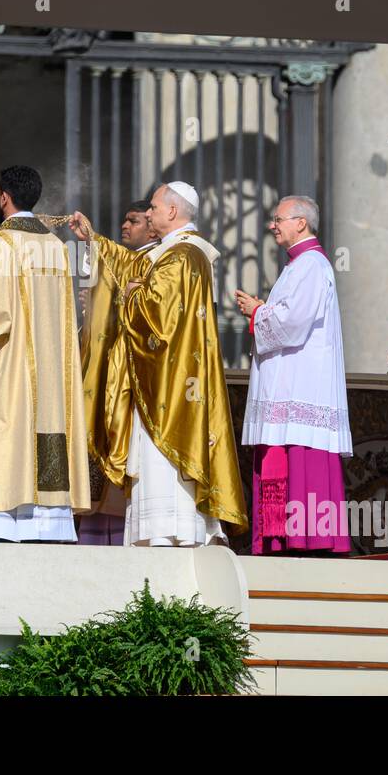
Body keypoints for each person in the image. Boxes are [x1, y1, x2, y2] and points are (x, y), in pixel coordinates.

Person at [70, 181, 248, 547]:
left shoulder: (184, 255)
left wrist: (132, 296)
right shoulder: (170, 253)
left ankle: (172, 533)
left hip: (169, 384)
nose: (148, 213)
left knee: (162, 468)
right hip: (161, 377)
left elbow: (159, 317)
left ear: (172, 211)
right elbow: (128, 267)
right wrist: (94, 240)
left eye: (153, 207)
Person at [0, 166, 90, 542]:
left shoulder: (3, 248)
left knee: (9, 433)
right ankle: (48, 524)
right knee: (46, 434)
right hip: (52, 378)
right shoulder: (57, 248)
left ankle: (6, 524)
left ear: (4, 197)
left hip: (9, 370)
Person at [234, 195, 353, 554]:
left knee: (302, 459)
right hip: (291, 388)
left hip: (303, 390)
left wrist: (258, 311)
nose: (273, 225)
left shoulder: (312, 266)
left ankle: (306, 541)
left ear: (300, 222)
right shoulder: (298, 266)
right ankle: (282, 540)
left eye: (279, 219)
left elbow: (293, 323)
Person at [76, 199, 159, 546]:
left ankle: (117, 534)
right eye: (124, 220)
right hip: (113, 367)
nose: (126, 226)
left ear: (153, 226)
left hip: (139, 377)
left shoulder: (161, 260)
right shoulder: (135, 259)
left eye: (134, 221)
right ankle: (95, 536)